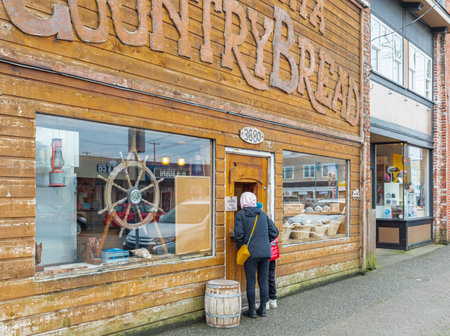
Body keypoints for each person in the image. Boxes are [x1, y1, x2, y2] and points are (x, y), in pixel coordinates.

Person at [234, 192, 278, 318]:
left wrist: (242, 246)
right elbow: (274, 232)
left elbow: (238, 235)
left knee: (251, 282)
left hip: (251, 254)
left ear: (243, 201)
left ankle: (252, 310)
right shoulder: (263, 214)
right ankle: (263, 309)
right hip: (265, 253)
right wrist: (265, 242)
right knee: (263, 281)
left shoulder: (241, 215)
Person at [256, 202, 278, 310]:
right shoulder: (267, 218)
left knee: (264, 277)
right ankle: (273, 300)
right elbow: (275, 232)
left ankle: (266, 302)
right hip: (271, 252)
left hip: (265, 252)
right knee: (270, 276)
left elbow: (274, 232)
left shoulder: (260, 219)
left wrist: (265, 241)